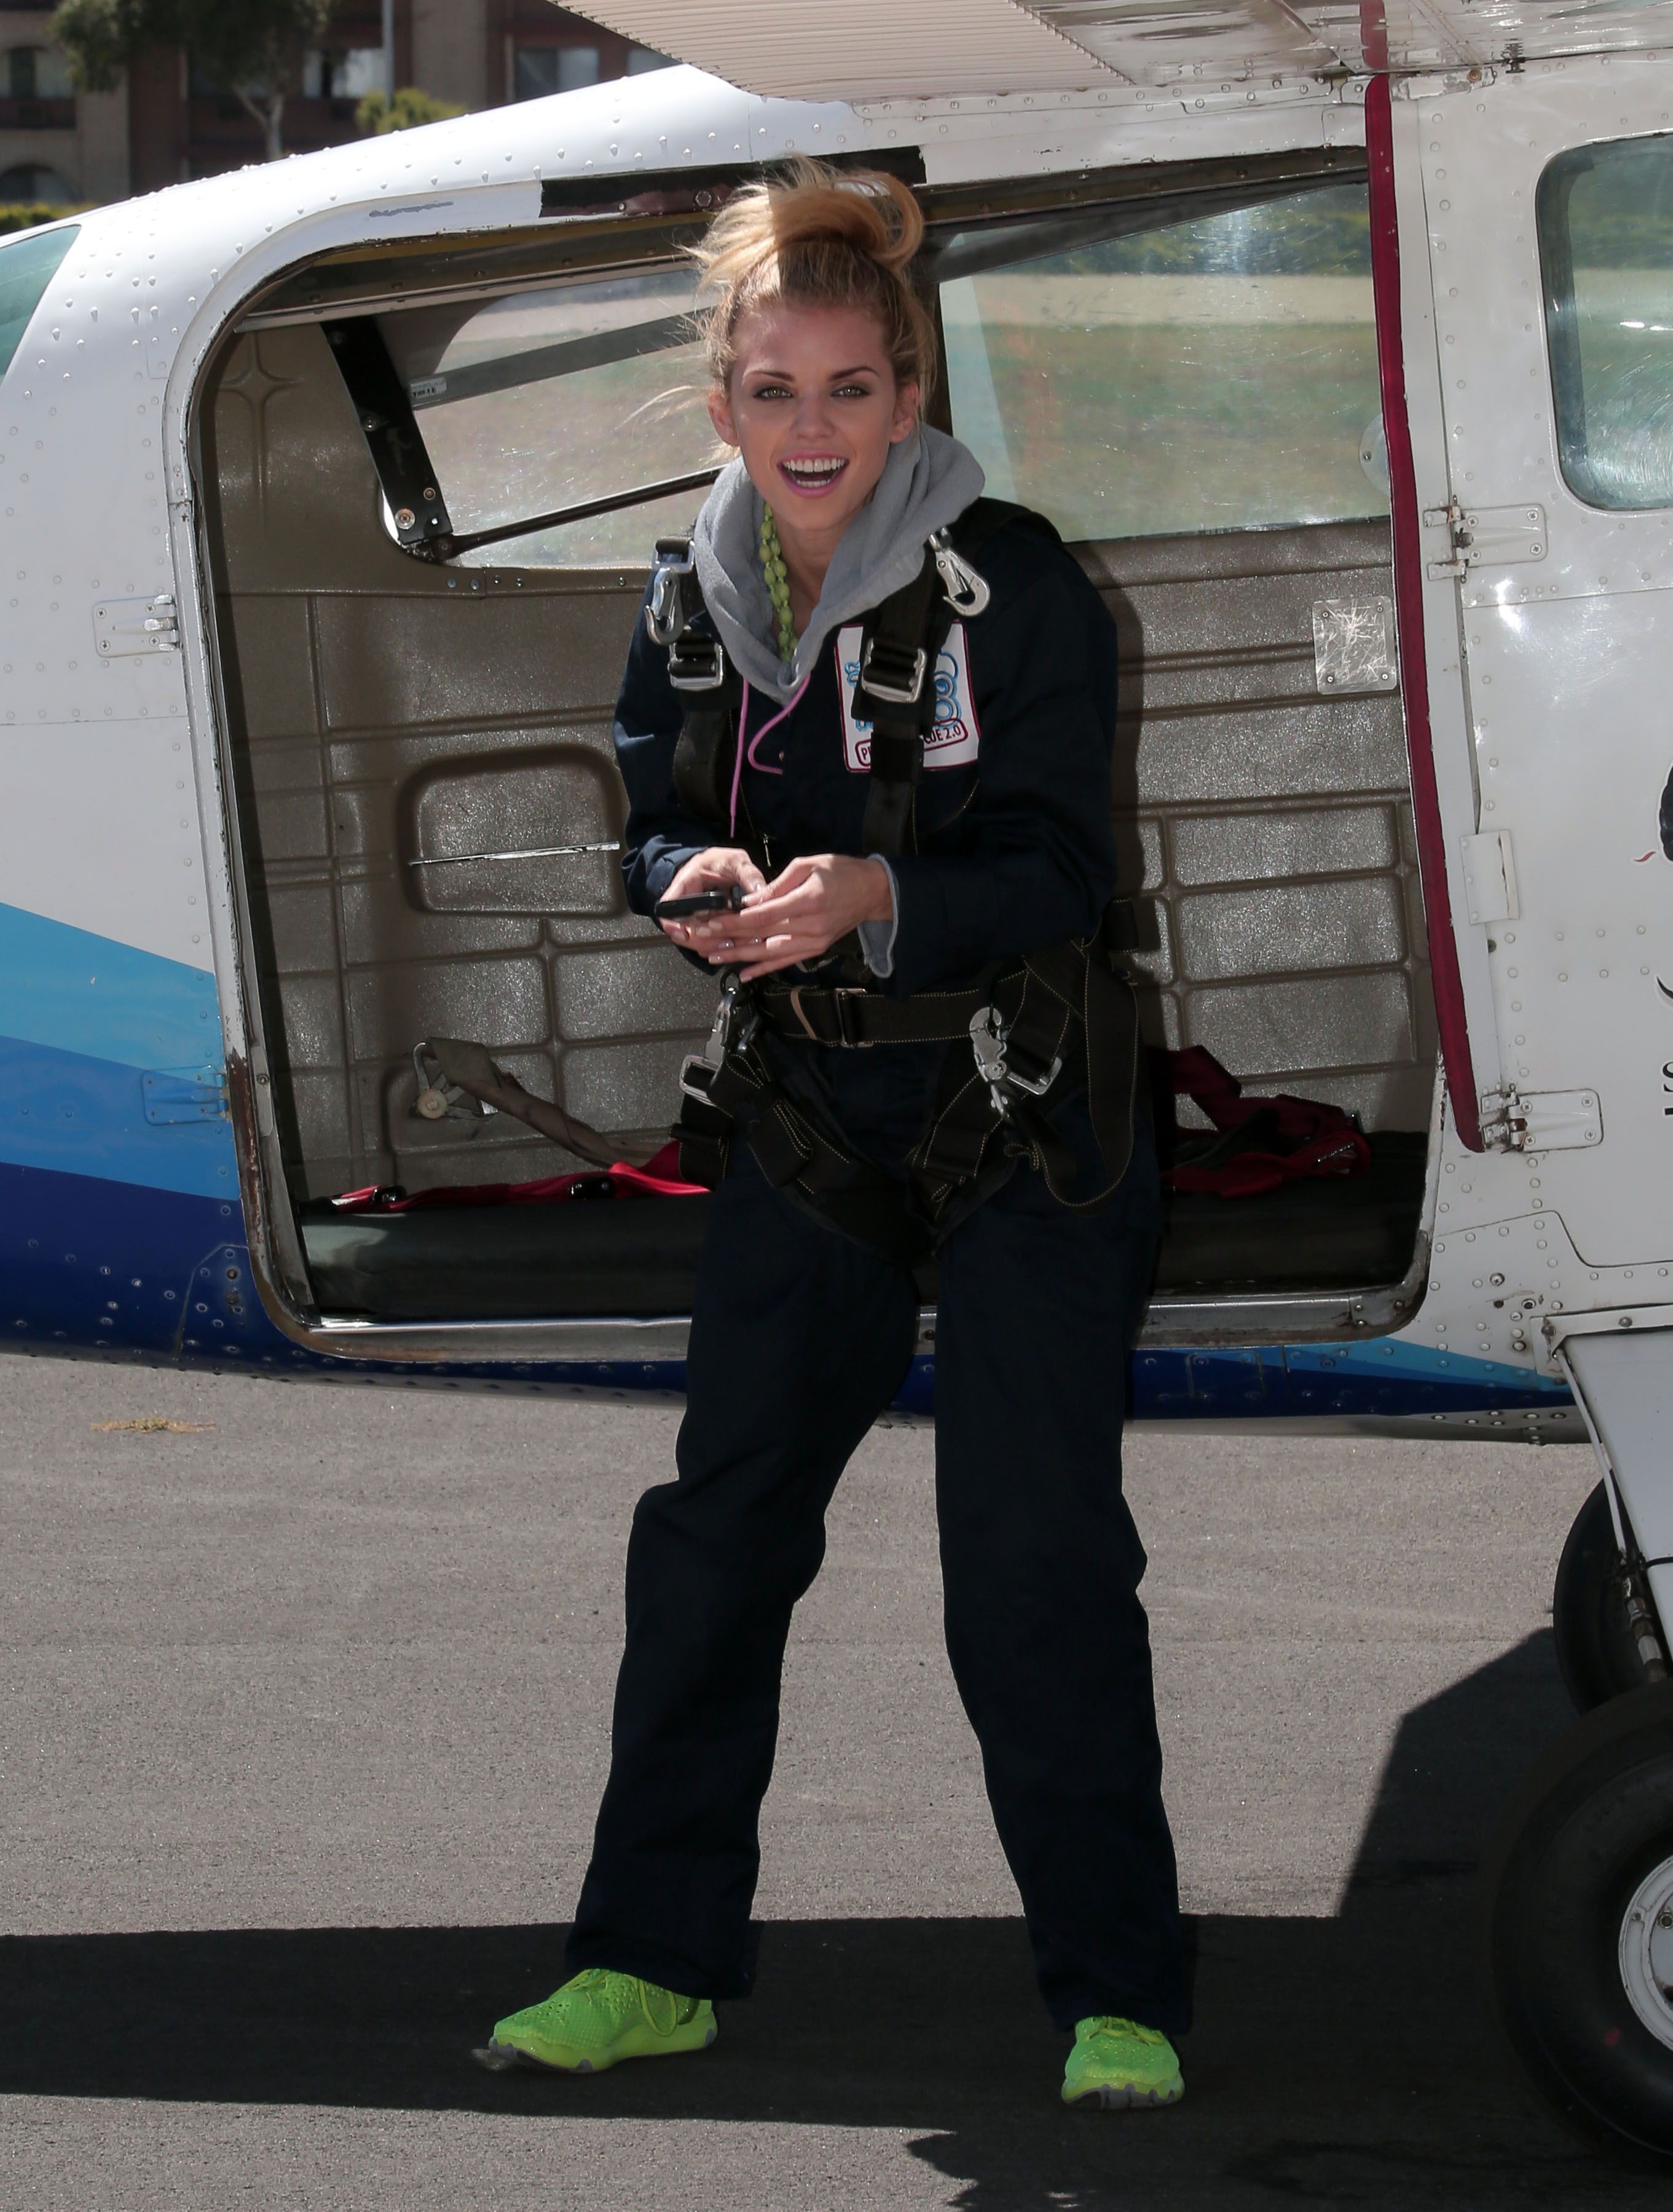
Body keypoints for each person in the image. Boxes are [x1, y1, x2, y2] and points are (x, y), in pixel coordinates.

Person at [479, 160, 1188, 2110]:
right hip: (808, 1111)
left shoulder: (1010, 583)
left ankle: (1117, 1997)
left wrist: (878, 897)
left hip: (1024, 1111)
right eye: (773, 389)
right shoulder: (685, 601)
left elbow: (1061, 869)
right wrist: (685, 876)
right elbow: (649, 816)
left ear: (909, 397)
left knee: (1029, 1555)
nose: (811, 428)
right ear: (721, 404)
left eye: (850, 389)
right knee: (712, 1542)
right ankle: (648, 1963)